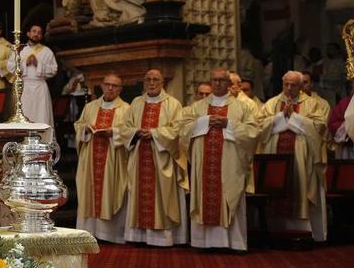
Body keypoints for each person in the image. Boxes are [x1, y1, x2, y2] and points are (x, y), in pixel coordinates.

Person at [180, 68, 258, 251]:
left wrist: (228, 124)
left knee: (228, 194)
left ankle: (233, 243)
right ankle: (203, 242)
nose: (217, 83)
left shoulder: (242, 107)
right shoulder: (198, 107)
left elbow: (253, 132)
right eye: (214, 80)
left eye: (221, 80)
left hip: (230, 163)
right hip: (204, 164)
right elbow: (183, 130)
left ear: (229, 83)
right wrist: (204, 122)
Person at [118, 69, 188, 246]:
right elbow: (124, 127)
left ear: (162, 82)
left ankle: (163, 238)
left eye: (155, 79)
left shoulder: (173, 104)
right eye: (148, 79)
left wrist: (155, 134)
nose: (151, 83)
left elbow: (178, 130)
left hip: (162, 158)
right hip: (139, 157)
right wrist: (136, 132)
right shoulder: (136, 103)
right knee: (138, 194)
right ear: (144, 82)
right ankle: (138, 236)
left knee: (162, 195)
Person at [257, 70, 328, 242]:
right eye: (286, 84)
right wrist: (281, 116)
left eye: (293, 85)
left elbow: (319, 127)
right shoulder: (272, 103)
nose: (289, 88)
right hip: (275, 154)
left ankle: (303, 231)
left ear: (301, 86)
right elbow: (258, 126)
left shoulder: (312, 104)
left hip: (302, 156)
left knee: (300, 183)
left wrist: (294, 117)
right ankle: (275, 229)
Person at [74, 73, 130, 243]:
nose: (110, 88)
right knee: (89, 192)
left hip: (113, 158)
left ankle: (109, 234)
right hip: (90, 157)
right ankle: (89, 231)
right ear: (102, 86)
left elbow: (129, 131)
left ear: (120, 89)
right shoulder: (90, 107)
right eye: (107, 84)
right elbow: (79, 125)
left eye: (115, 85)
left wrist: (114, 132)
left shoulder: (126, 109)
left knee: (110, 192)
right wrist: (85, 129)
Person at [7, 24, 58, 135]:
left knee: (42, 115)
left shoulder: (46, 51)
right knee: (25, 113)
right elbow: (10, 67)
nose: (36, 34)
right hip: (24, 87)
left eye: (39, 32)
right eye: (34, 31)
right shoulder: (20, 50)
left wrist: (38, 64)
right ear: (28, 33)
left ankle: (43, 141)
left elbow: (54, 70)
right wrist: (25, 63)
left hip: (40, 88)